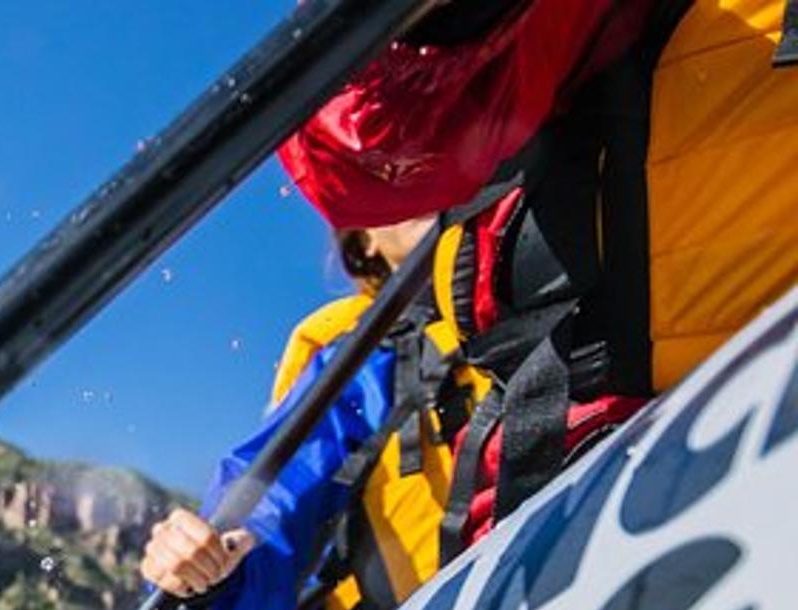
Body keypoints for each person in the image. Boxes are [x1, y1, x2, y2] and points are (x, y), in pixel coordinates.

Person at [282, 0, 798, 547]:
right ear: (363, 248)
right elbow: (368, 143)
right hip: (568, 530)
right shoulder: (354, 337)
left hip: (730, 473)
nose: (414, 223)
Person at [148, 219, 468, 610]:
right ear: (364, 241)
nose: (420, 176)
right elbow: (274, 499)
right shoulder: (362, 363)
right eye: (388, 173)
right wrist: (205, 573)